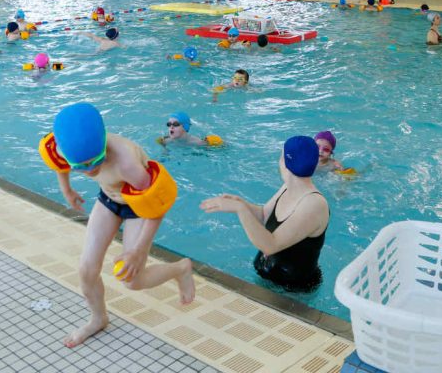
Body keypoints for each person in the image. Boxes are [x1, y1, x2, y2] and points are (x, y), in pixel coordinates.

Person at [39, 103, 195, 347]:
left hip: (138, 208)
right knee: (86, 271)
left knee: (132, 280)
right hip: (108, 200)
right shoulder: (64, 147)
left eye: (96, 161)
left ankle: (181, 269)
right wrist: (66, 189)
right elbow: (59, 163)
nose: (90, 170)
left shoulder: (127, 163)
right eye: (80, 166)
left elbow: (156, 208)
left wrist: (138, 251)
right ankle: (98, 318)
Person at [200, 136, 329, 291]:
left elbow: (270, 245)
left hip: (293, 291)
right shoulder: (288, 187)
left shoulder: (314, 204)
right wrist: (242, 204)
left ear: (285, 162)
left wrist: (240, 209)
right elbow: (264, 215)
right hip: (269, 277)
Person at [157, 112, 222, 147]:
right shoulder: (166, 141)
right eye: (169, 124)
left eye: (176, 124)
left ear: (185, 127)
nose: (171, 127)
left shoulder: (197, 142)